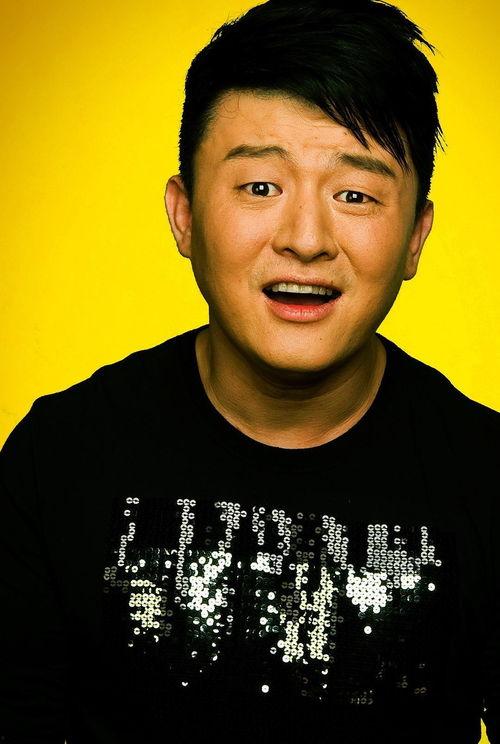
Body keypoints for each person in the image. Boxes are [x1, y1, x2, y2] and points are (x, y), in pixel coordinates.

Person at [0, 0, 498, 742]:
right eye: (261, 187)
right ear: (184, 215)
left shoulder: (485, 476)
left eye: (355, 194)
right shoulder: (60, 456)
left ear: (416, 237)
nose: (306, 238)